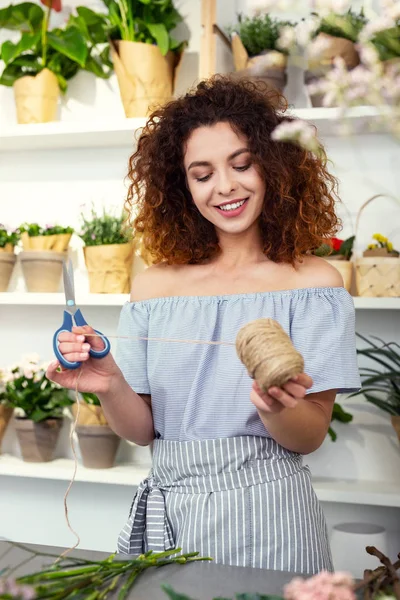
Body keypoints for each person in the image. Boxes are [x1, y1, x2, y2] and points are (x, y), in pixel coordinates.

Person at [47, 76, 361, 574]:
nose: (226, 186)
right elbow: (143, 431)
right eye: (202, 173)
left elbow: (309, 436)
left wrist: (277, 407)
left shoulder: (315, 284)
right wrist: (108, 385)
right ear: (181, 185)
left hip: (271, 517)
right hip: (172, 513)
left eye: (242, 164)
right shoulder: (154, 288)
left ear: (274, 167)